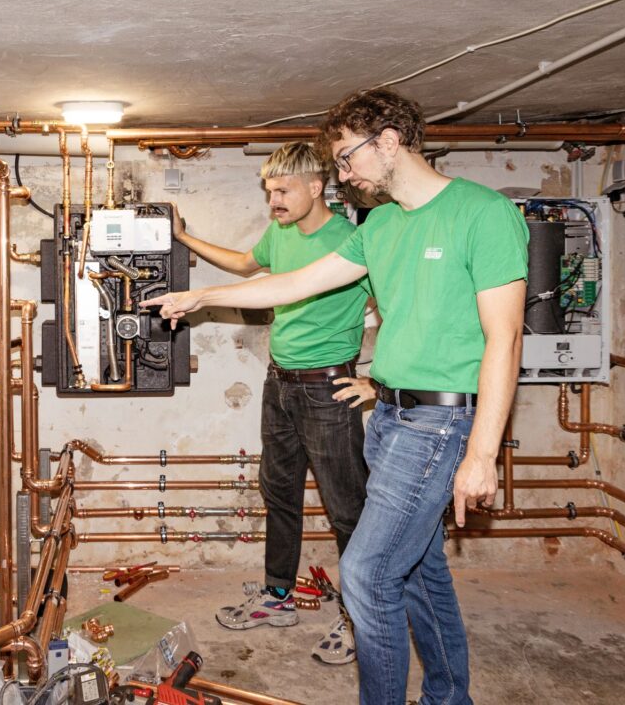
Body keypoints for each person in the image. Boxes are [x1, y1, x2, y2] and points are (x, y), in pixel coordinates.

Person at [143, 89, 528, 705]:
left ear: (390, 141)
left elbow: (504, 339)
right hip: (392, 419)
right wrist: (200, 298)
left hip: (440, 421)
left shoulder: (481, 213)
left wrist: (482, 454)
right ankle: (449, 697)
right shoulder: (381, 226)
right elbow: (297, 282)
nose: (343, 174)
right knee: (423, 574)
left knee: (367, 574)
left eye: (347, 158)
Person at [171, 142, 372, 664]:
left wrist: (381, 383)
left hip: (329, 387)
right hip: (279, 383)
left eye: (282, 190)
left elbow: (396, 305)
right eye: (268, 191)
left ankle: (360, 619)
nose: (274, 200)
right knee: (279, 491)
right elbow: (244, 264)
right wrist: (182, 237)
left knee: (347, 507)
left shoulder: (352, 241)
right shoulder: (281, 232)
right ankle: (279, 595)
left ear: (316, 186)